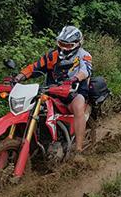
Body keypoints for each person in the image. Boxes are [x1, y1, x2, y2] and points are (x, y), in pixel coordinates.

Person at [13, 26, 92, 155]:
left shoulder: (84, 55)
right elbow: (35, 68)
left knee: (78, 107)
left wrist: (75, 79)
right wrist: (17, 78)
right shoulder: (52, 56)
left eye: (68, 45)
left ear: (78, 43)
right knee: (33, 107)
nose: (64, 48)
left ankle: (78, 149)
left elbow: (86, 70)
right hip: (52, 92)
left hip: (74, 92)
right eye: (61, 44)